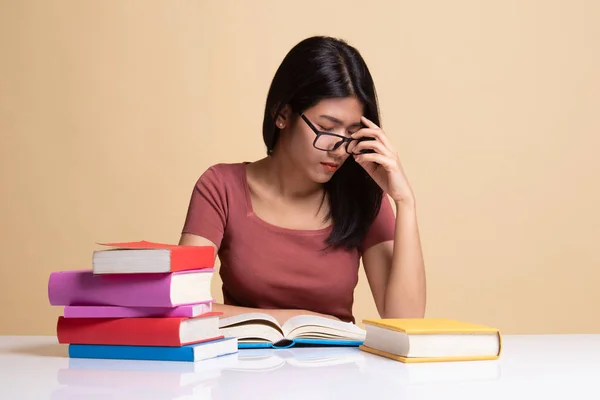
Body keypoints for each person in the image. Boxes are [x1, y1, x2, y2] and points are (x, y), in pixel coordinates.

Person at [179, 36, 426, 325]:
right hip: (243, 367)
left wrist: (405, 202)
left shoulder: (362, 195)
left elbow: (406, 319)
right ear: (282, 114)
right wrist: (295, 320)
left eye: (352, 133)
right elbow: (185, 304)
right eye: (326, 128)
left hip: (339, 368)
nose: (340, 147)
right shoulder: (221, 187)